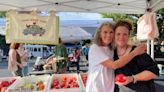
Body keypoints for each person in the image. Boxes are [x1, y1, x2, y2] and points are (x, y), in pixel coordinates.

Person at [86, 22, 146, 92]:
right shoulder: (95, 48)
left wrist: (137, 46)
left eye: (111, 32)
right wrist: (135, 52)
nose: (108, 35)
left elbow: (124, 45)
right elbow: (114, 65)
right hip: (96, 88)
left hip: (109, 89)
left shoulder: (111, 48)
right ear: (100, 34)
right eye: (105, 32)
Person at [114, 20, 159, 92]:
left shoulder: (139, 51)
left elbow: (154, 72)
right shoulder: (111, 54)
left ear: (129, 35)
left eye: (125, 34)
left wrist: (133, 78)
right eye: (118, 34)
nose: (121, 37)